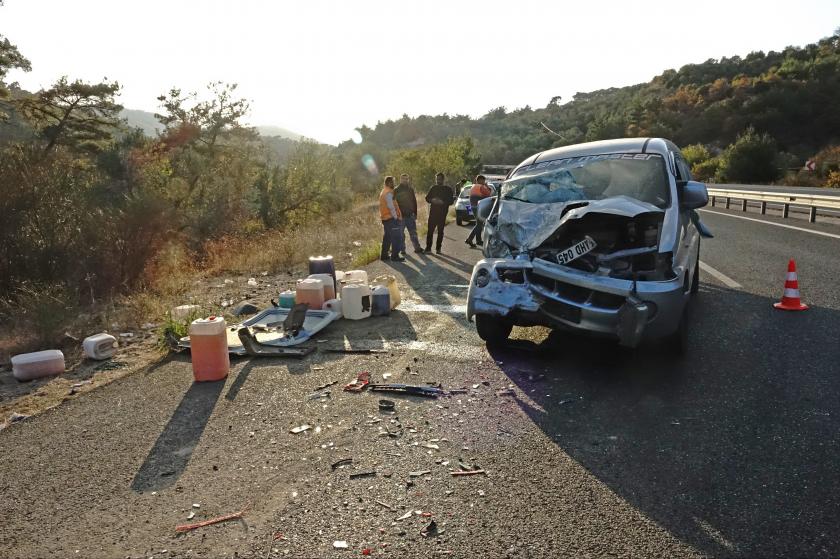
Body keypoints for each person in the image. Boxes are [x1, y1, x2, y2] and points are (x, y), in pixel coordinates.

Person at [424, 172, 454, 254]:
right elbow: (427, 198)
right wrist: (432, 200)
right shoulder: (433, 188)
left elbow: (451, 201)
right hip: (433, 213)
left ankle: (438, 248)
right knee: (430, 231)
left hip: (442, 213)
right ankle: (428, 248)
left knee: (440, 231)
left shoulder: (448, 189)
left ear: (443, 179)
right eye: (437, 179)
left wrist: (442, 202)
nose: (438, 181)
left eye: (439, 179)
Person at [394, 173, 424, 254]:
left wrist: (415, 213)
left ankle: (417, 248)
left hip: (410, 215)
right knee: (401, 235)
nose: (405, 180)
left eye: (406, 179)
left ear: (408, 180)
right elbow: (394, 204)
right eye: (403, 179)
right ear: (400, 179)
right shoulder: (396, 190)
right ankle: (402, 250)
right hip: (401, 217)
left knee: (413, 233)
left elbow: (414, 202)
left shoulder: (410, 189)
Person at [379, 176, 405, 262]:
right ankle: (395, 256)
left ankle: (384, 255)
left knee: (387, 237)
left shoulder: (384, 191)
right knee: (396, 237)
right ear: (389, 183)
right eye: (393, 182)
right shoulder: (388, 192)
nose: (394, 183)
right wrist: (396, 217)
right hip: (391, 219)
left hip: (385, 218)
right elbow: (391, 207)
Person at [465, 174, 492, 247]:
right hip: (478, 207)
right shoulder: (481, 187)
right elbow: (489, 194)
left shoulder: (473, 186)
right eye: (483, 180)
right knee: (479, 224)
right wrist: (487, 186)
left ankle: (478, 240)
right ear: (480, 180)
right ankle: (470, 239)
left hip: (473, 206)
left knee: (478, 223)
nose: (484, 182)